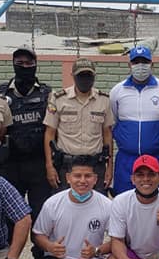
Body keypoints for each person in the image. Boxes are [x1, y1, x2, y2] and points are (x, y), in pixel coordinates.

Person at [22, 158, 112, 259]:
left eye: (87, 176)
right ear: (68, 178)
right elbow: (38, 234)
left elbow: (117, 240)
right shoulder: (53, 203)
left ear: (95, 179)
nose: (82, 180)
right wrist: (49, 246)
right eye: (77, 176)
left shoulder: (107, 205)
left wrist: (97, 250)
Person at [0, 45, 54, 258]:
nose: (24, 66)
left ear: (35, 65)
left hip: (39, 166)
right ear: (13, 64)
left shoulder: (47, 93)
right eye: (19, 63)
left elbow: (52, 130)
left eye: (29, 63)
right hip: (12, 165)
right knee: (10, 216)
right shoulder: (1, 93)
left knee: (41, 215)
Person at [109, 46, 159, 194]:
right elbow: (113, 123)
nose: (140, 66)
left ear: (152, 64)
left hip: (155, 159)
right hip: (126, 160)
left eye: (145, 62)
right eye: (136, 62)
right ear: (129, 65)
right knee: (124, 200)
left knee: (155, 202)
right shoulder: (117, 92)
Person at [43, 58, 114, 192]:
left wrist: (110, 167)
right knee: (64, 203)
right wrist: (49, 166)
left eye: (88, 75)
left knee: (97, 203)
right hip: (67, 166)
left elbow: (107, 135)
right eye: (81, 76)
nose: (85, 79)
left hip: (95, 166)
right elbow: (49, 134)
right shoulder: (59, 99)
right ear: (73, 76)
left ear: (94, 76)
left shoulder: (104, 100)